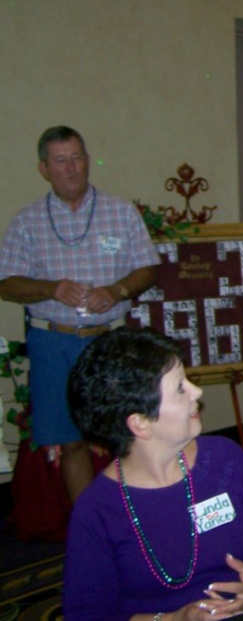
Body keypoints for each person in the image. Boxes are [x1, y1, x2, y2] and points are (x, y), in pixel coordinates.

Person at [62, 328, 243, 620]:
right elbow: (88, 616)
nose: (197, 392)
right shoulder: (98, 509)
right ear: (140, 423)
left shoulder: (223, 459)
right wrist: (174, 619)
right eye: (180, 388)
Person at [0, 125, 160, 503]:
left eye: (77, 158)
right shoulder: (27, 221)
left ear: (87, 161)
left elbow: (148, 268)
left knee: (127, 435)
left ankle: (137, 520)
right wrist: (50, 288)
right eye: (60, 161)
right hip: (53, 341)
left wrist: (118, 290)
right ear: (44, 168)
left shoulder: (120, 212)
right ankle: (91, 530)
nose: (70, 168)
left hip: (110, 341)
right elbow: (5, 284)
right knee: (71, 443)